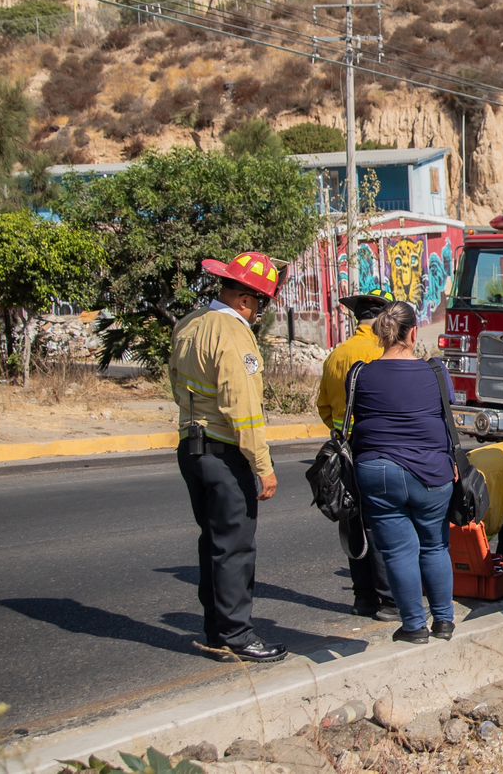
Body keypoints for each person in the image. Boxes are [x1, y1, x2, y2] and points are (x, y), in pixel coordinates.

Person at [171, 251, 287, 663]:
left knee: (213, 544)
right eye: (261, 304)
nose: (259, 313)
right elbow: (244, 408)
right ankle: (237, 635)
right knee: (235, 548)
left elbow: (177, 386)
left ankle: (217, 630)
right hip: (224, 451)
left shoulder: (189, 324)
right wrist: (263, 466)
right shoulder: (233, 334)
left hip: (191, 447)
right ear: (245, 300)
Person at [350, 300, 458, 643]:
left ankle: (414, 627)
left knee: (398, 552)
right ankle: (443, 622)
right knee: (435, 546)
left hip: (378, 470)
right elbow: (448, 404)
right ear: (414, 333)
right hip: (433, 473)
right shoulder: (436, 371)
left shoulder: (360, 373)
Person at [315, 287, 399, 622]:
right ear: (383, 319)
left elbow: (322, 406)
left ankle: (363, 599)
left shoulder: (338, 354)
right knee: (382, 525)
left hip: (345, 451)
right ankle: (390, 601)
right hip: (378, 450)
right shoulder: (385, 353)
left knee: (354, 523)